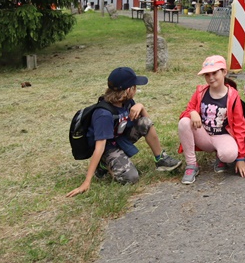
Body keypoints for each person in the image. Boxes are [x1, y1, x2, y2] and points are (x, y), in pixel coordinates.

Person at [66, 67, 181, 197]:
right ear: (128, 90)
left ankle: (160, 159)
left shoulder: (127, 102)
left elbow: (147, 122)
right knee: (131, 178)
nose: (136, 89)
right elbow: (99, 147)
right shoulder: (103, 114)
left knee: (145, 123)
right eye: (135, 87)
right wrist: (86, 182)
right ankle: (102, 165)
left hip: (118, 138)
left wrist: (141, 107)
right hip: (106, 148)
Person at [178, 56, 245, 184]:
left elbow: (239, 125)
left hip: (222, 136)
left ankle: (220, 157)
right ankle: (192, 164)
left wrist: (240, 158)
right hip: (204, 135)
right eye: (207, 74)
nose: (211, 77)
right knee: (184, 122)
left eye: (215, 73)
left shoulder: (233, 96)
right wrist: (192, 112)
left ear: (224, 72)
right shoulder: (200, 92)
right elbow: (187, 110)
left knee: (229, 155)